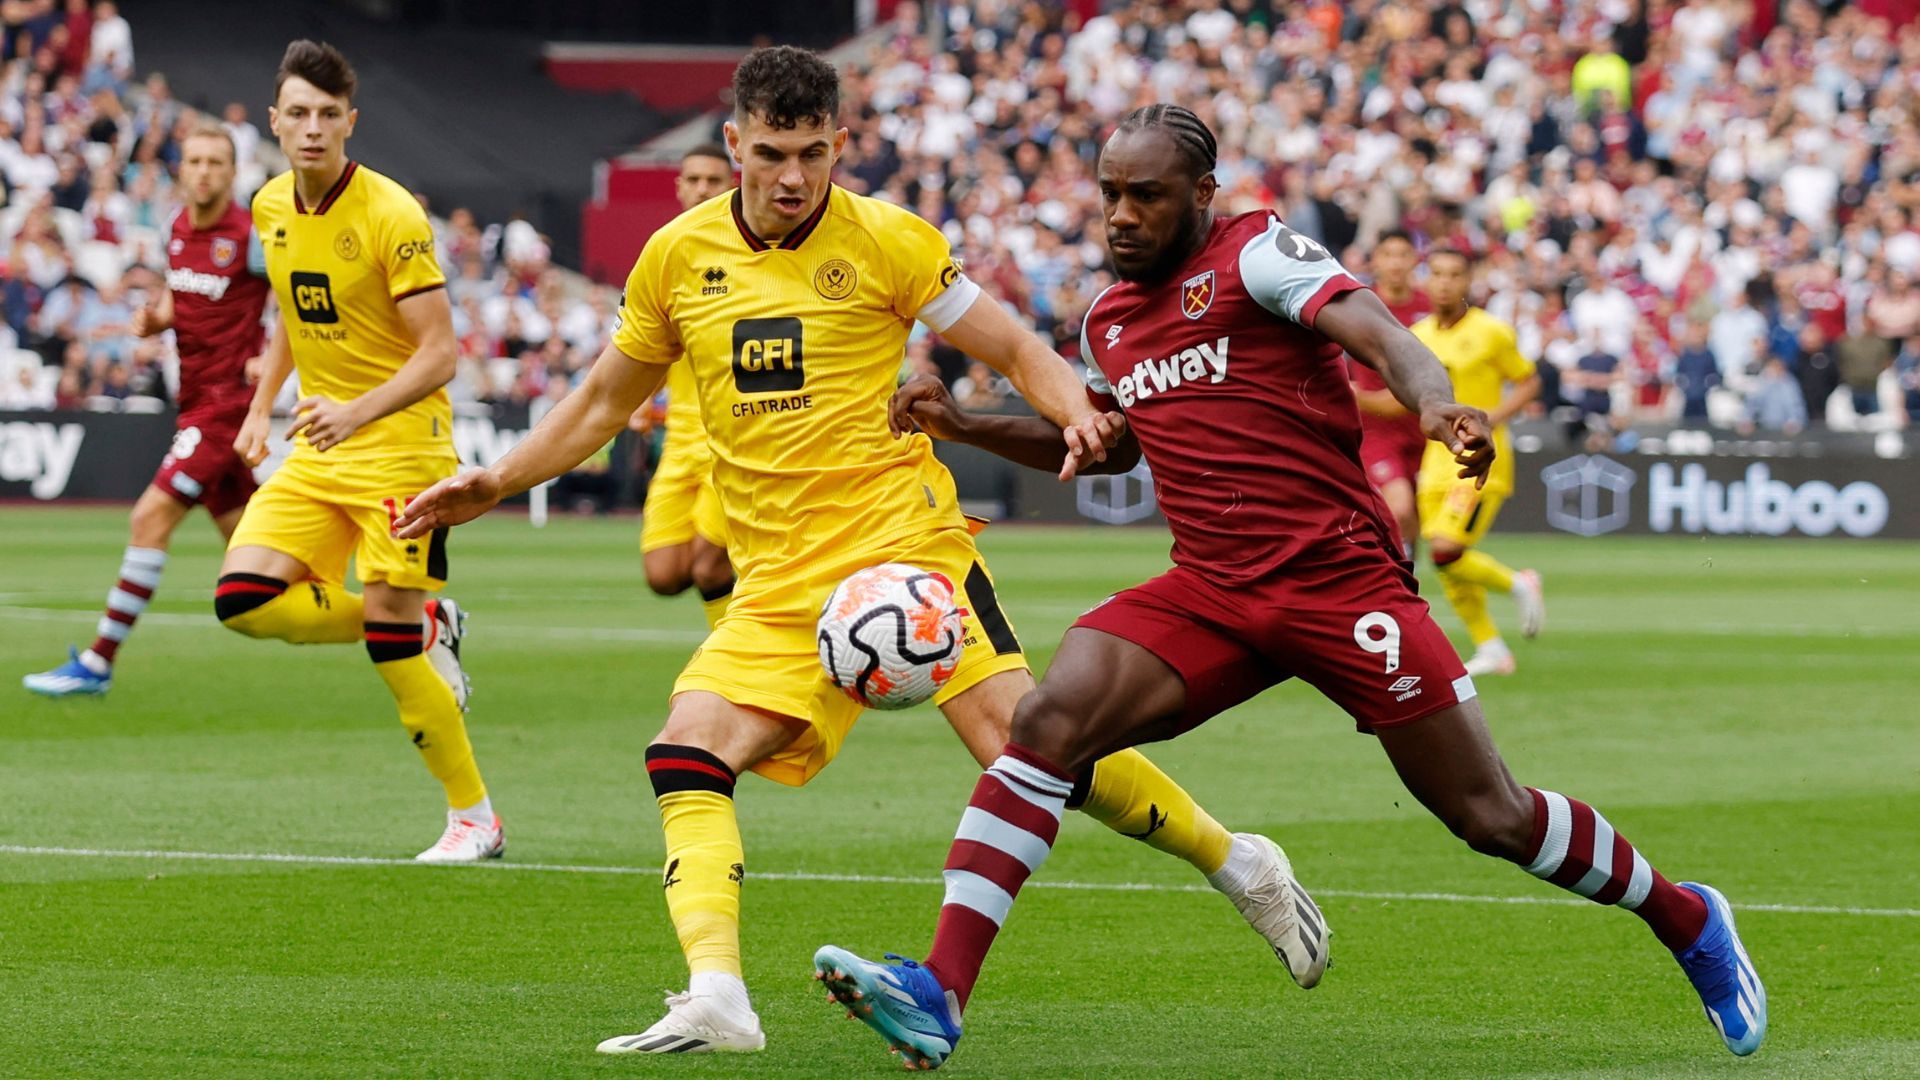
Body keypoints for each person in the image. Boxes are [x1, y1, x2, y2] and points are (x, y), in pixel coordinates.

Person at [394, 49, 1324, 1058]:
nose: (791, 178)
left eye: (811, 154)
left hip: (901, 546)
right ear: (733, 146)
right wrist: (493, 484)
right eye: (769, 155)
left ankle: (1241, 864)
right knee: (686, 753)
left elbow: (1012, 347)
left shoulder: (886, 239)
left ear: (839, 144)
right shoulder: (676, 258)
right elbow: (598, 404)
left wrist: (1076, 414)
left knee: (1024, 743)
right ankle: (719, 997)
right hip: (778, 577)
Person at [813, 105, 1764, 1071]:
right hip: (1213, 591)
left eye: (1147, 197)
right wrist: (965, 425)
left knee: (1491, 817)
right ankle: (939, 991)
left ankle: (1688, 918)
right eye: (1110, 195)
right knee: (1048, 724)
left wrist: (1434, 400)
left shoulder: (1257, 255)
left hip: (1340, 586)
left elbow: (1377, 330)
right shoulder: (1109, 319)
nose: (1122, 216)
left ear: (1202, 196)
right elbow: (1122, 444)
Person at [217, 41, 497, 864]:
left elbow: (442, 353)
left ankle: (474, 817)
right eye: (297, 113)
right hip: (321, 444)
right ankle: (428, 624)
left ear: (351, 123)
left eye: (327, 116)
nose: (311, 129)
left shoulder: (390, 214)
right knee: (243, 598)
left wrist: (357, 412)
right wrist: (261, 407)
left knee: (386, 641)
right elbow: (292, 317)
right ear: (274, 121)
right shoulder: (271, 205)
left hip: (402, 447)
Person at [24, 124, 269, 697]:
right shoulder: (177, 228)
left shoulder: (254, 237)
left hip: (225, 409)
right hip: (192, 402)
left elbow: (295, 301)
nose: (204, 171)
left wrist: (271, 366)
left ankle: (98, 661)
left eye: (216, 162)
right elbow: (180, 295)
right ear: (180, 171)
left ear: (233, 174)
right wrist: (158, 316)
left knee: (149, 519)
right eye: (195, 161)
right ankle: (393, 620)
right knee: (259, 556)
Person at [1411, 248, 1545, 677]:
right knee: (1444, 560)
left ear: (1468, 281)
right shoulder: (1416, 334)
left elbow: (1529, 382)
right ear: (1426, 280)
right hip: (1435, 459)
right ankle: (1490, 647)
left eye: (1454, 275)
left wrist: (1489, 420)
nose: (1445, 283)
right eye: (1437, 274)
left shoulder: (1492, 332)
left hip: (1478, 460)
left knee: (1447, 550)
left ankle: (1518, 584)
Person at [638, 144, 736, 626]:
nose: (702, 189)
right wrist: (638, 398)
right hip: (681, 441)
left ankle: (735, 659)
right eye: (693, 180)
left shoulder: (749, 253)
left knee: (709, 565)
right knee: (665, 574)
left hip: (738, 442)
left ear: (731, 186)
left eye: (713, 181)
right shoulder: (663, 254)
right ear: (678, 187)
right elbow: (650, 340)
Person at [1346, 229, 1431, 558]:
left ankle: (1405, 572)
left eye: (1402, 254)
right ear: (1376, 260)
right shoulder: (1358, 303)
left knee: (1418, 520)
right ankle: (1397, 579)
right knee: (1400, 509)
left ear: (1414, 259)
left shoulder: (1429, 307)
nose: (1395, 263)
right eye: (1388, 255)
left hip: (1423, 428)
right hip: (1378, 430)